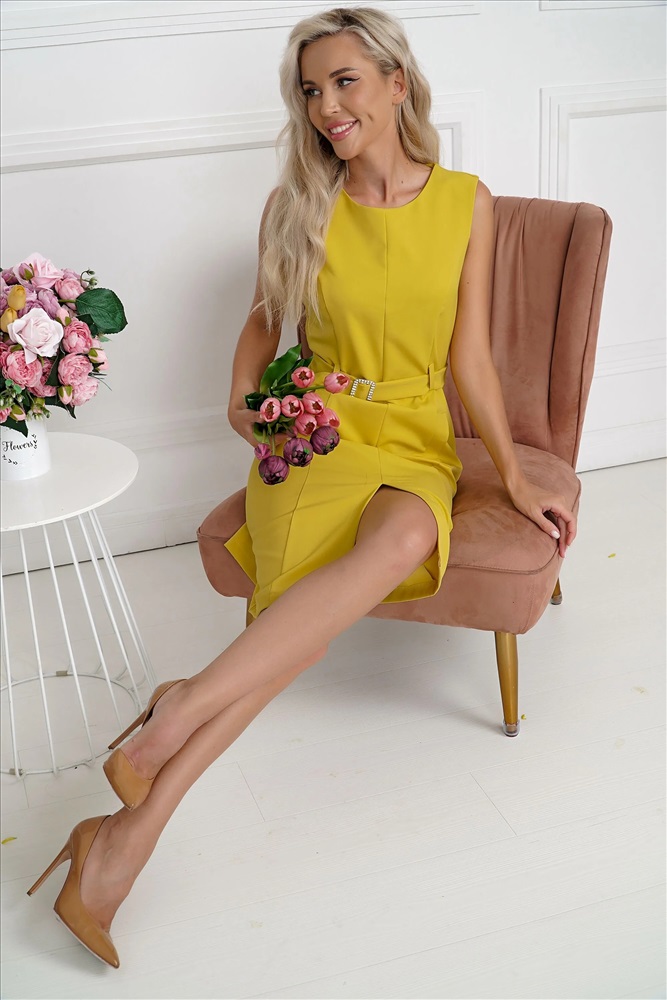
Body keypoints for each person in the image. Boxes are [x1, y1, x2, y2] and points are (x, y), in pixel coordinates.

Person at [27, 6, 576, 968]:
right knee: (301, 633)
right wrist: (241, 401)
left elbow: (472, 361)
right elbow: (261, 322)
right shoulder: (298, 204)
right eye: (311, 90)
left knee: (404, 536)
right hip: (316, 432)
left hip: (413, 435)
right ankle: (119, 847)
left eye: (344, 82)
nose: (326, 107)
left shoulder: (466, 201)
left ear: (396, 83)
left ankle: (172, 719)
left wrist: (519, 477)